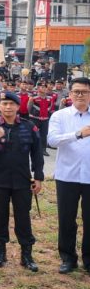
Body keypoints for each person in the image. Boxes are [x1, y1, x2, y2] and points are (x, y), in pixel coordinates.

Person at [0, 91, 44, 272]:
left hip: (22, 181)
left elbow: (37, 153)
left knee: (23, 217)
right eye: (4, 103)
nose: (8, 107)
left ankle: (26, 255)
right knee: (0, 216)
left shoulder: (29, 126)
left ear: (18, 106)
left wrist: (38, 177)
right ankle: (0, 252)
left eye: (11, 104)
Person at [47, 77, 90, 274]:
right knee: (66, 219)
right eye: (77, 91)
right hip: (67, 175)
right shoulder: (60, 116)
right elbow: (52, 140)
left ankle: (88, 260)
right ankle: (68, 258)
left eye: (85, 92)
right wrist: (77, 134)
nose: (80, 95)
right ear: (70, 94)